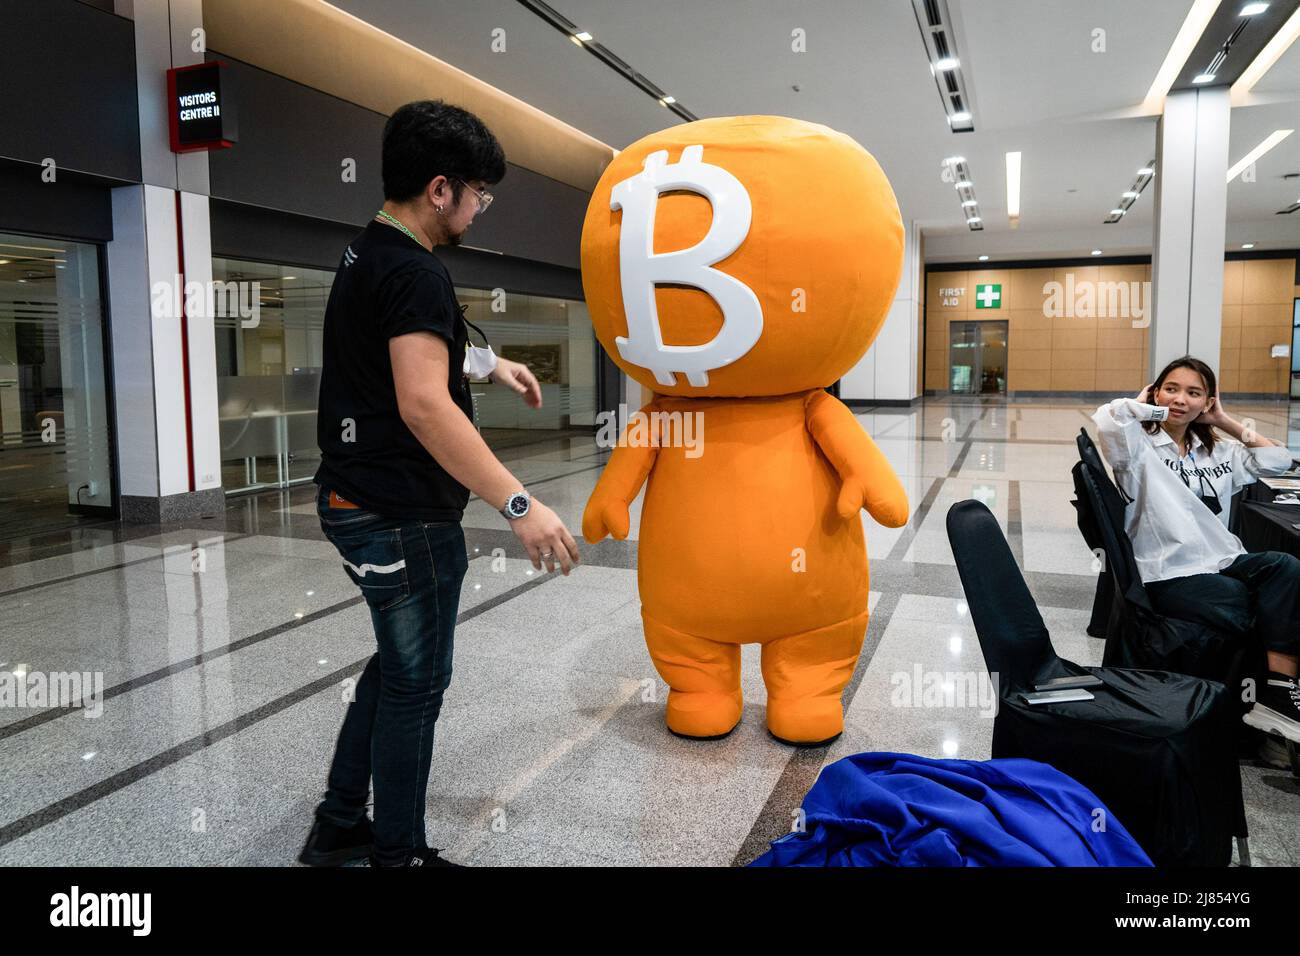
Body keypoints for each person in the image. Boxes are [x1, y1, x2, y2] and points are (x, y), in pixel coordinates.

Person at [298, 100, 581, 868]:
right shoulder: (418, 270)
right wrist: (518, 503)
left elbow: (409, 351)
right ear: (440, 188)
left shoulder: (370, 251)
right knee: (417, 686)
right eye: (479, 193)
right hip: (399, 515)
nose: (481, 208)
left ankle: (337, 826)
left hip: (352, 498)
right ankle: (398, 856)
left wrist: (492, 364)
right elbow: (423, 403)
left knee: (395, 666)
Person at [1092, 355, 1300, 744]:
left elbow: (1279, 460)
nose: (1180, 400)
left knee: (1285, 567)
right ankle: (1259, 714)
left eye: (1193, 393)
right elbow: (1108, 417)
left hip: (1221, 560)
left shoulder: (1217, 452)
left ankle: (1276, 694)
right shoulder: (1138, 449)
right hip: (1169, 570)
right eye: (1171, 389)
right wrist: (1150, 407)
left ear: (1207, 401)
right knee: (1256, 605)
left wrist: (1223, 421)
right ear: (1156, 391)